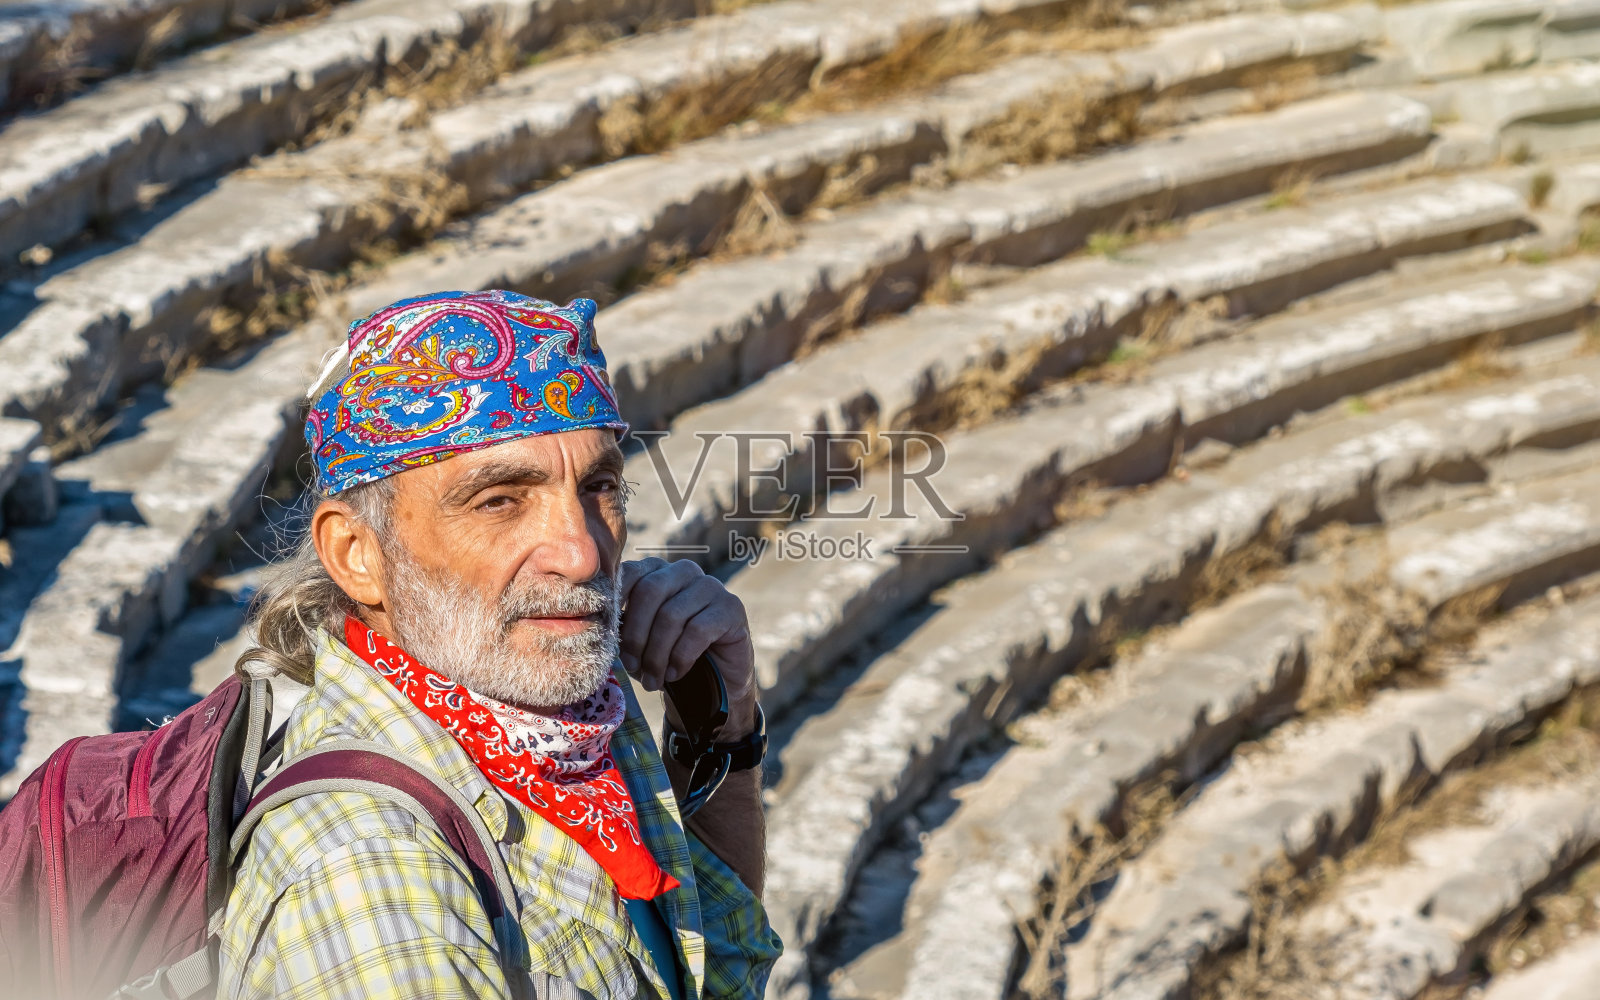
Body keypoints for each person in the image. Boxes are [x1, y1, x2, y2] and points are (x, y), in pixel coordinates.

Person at [217, 290, 782, 999]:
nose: (580, 552)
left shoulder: (565, 718)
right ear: (358, 554)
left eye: (599, 486)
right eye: (499, 500)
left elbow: (718, 978)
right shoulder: (375, 877)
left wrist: (719, 729)